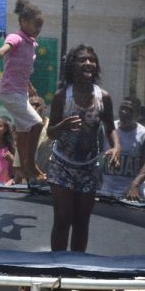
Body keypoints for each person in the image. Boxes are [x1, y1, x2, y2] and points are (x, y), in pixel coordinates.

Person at [47, 45, 120, 252]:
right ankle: (57, 263)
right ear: (72, 66)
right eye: (82, 60)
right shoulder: (62, 96)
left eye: (92, 60)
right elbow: (51, 132)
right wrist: (62, 126)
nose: (88, 63)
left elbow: (110, 128)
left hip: (89, 167)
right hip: (62, 165)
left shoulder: (103, 97)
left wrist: (116, 147)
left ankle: (76, 264)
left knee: (81, 221)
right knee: (63, 218)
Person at [0, 0, 46, 183]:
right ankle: (30, 164)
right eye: (35, 25)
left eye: (40, 27)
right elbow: (4, 49)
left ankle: (23, 166)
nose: (38, 30)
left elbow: (22, 69)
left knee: (24, 131)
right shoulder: (16, 38)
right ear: (23, 22)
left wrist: (29, 86)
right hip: (9, 92)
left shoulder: (31, 44)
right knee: (37, 124)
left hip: (20, 93)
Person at [99, 96, 145, 202]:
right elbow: (94, 154)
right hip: (107, 192)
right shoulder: (107, 129)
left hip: (132, 196)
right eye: (122, 108)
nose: (124, 112)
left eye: (129, 110)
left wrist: (134, 185)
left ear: (138, 115)